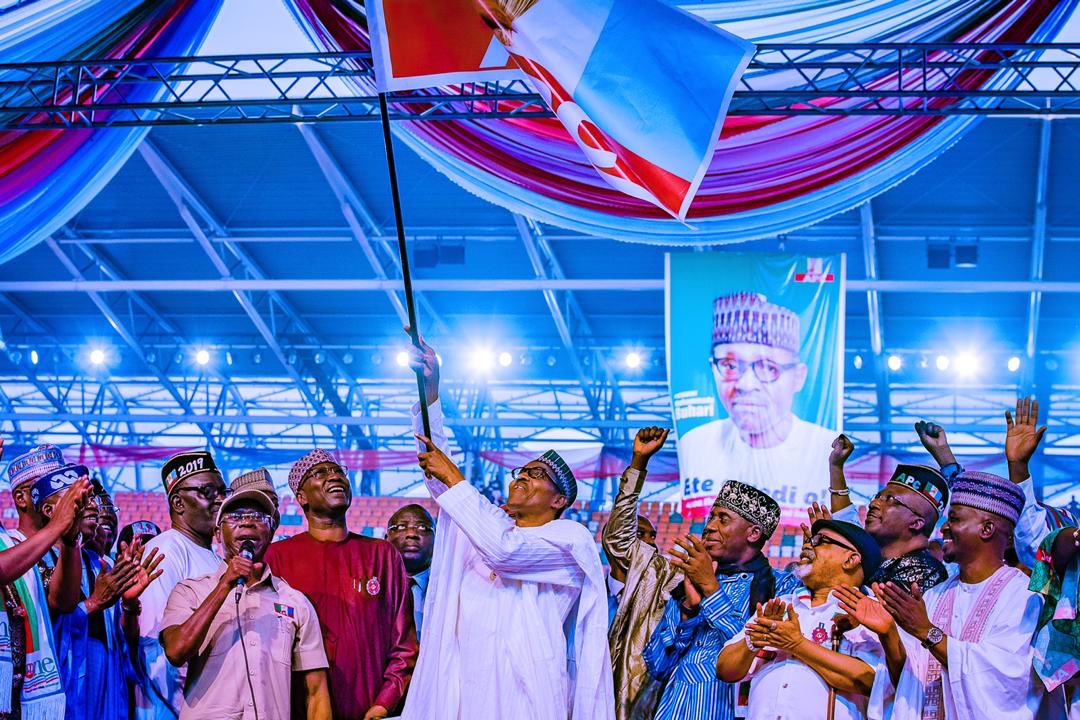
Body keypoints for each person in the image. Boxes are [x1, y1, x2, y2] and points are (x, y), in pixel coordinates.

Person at [402, 334, 614, 720]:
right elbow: (439, 477)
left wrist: (456, 479)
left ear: (559, 501)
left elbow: (507, 552)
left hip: (527, 693)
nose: (520, 478)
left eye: (535, 475)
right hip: (464, 686)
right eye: (521, 470)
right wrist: (431, 394)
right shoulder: (484, 523)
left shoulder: (570, 540)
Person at [850, 469, 1060, 719]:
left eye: (955, 519)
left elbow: (1006, 682)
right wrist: (888, 633)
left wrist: (927, 632)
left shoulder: (1023, 597)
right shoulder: (934, 596)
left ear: (987, 528)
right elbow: (907, 682)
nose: (944, 528)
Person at [264, 450, 416, 720]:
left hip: (371, 712)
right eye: (320, 473)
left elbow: (404, 644)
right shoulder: (277, 557)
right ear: (301, 497)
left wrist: (385, 702)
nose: (334, 476)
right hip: (299, 710)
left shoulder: (382, 555)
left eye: (338, 471)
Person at [160, 488, 331, 720]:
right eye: (236, 516)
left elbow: (316, 693)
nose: (248, 522)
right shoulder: (190, 591)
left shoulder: (295, 602)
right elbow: (176, 652)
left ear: (271, 533)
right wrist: (224, 586)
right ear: (218, 533)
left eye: (259, 517)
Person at [641, 479, 803, 720]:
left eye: (723, 519)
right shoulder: (691, 581)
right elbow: (658, 667)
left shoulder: (782, 586)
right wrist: (687, 611)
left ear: (753, 533)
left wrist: (711, 590)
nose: (709, 526)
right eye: (711, 517)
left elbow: (757, 651)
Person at [677, 293, 837, 512]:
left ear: (798, 377)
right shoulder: (696, 444)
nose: (746, 384)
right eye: (730, 365)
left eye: (768, 368)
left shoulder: (824, 450)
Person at [716, 519, 884, 720]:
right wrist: (752, 642)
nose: (807, 545)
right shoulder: (781, 605)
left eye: (820, 541)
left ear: (850, 560)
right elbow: (725, 670)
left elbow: (871, 682)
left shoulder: (869, 613)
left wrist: (797, 644)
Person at [36, 467, 163, 720]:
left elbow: (125, 645)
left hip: (109, 690)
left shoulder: (102, 564)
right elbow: (43, 633)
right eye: (85, 500)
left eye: (94, 501)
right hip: (65, 690)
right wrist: (94, 602)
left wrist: (128, 605)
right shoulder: (41, 560)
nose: (93, 507)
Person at [0, 442, 92, 720]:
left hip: (51, 688)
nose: (61, 494)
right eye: (47, 485)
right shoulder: (5, 542)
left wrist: (68, 538)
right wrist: (56, 528)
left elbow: (63, 603)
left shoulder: (60, 552)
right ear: (21, 498)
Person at [134, 450, 225, 720]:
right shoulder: (164, 551)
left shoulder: (213, 555)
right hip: (172, 708)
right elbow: (157, 651)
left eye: (222, 491)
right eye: (208, 491)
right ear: (178, 503)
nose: (220, 499)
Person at [602, 426, 682, 720]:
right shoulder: (585, 593)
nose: (649, 542)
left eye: (652, 536)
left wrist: (639, 464)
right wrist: (637, 461)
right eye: (640, 534)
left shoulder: (661, 589)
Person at [825, 434, 949, 590]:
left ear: (916, 523)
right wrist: (836, 467)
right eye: (878, 496)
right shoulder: (873, 560)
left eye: (890, 499)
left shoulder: (926, 572)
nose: (874, 503)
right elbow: (848, 522)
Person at [385, 504, 435, 641]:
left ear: (438, 541)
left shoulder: (451, 591)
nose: (412, 534)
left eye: (423, 528)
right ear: (385, 539)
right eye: (401, 527)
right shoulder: (371, 588)